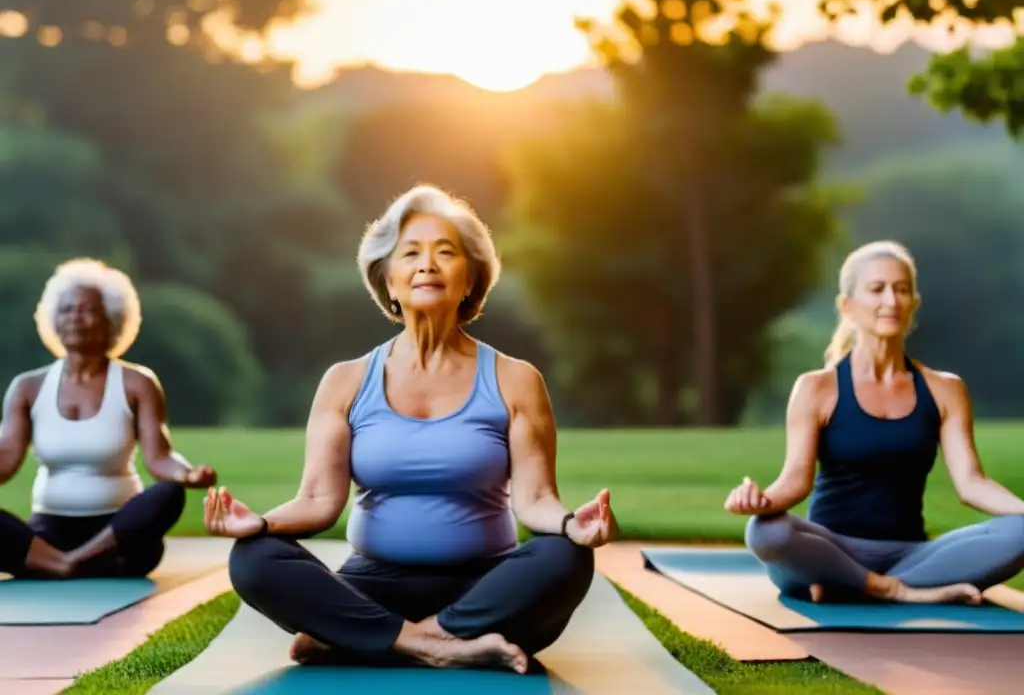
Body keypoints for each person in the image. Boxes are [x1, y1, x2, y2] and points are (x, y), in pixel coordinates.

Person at [206, 183, 616, 675]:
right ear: (390, 281)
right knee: (253, 559)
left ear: (470, 280)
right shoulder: (345, 381)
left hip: (485, 588)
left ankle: (370, 638)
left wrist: (574, 526)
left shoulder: (515, 379)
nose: (428, 265)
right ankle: (440, 645)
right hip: (374, 585)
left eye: (446, 253)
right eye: (411, 254)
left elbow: (535, 500)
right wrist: (260, 525)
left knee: (566, 558)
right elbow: (317, 501)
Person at [725, 240, 1024, 605]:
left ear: (914, 303)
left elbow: (971, 483)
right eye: (877, 289)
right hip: (830, 547)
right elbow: (795, 481)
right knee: (767, 532)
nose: (891, 301)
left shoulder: (945, 389)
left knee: (1021, 531)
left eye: (901, 289)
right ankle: (886, 589)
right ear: (847, 306)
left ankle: (850, 585)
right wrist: (760, 500)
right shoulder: (817, 388)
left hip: (912, 555)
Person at [0, 258, 217, 580]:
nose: (75, 317)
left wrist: (187, 474)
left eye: (87, 310)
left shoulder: (137, 383)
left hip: (119, 535)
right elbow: (5, 458)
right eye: (67, 309)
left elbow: (159, 458)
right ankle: (63, 562)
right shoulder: (27, 387)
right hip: (48, 535)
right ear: (54, 320)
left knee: (169, 494)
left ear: (111, 321)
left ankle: (66, 565)